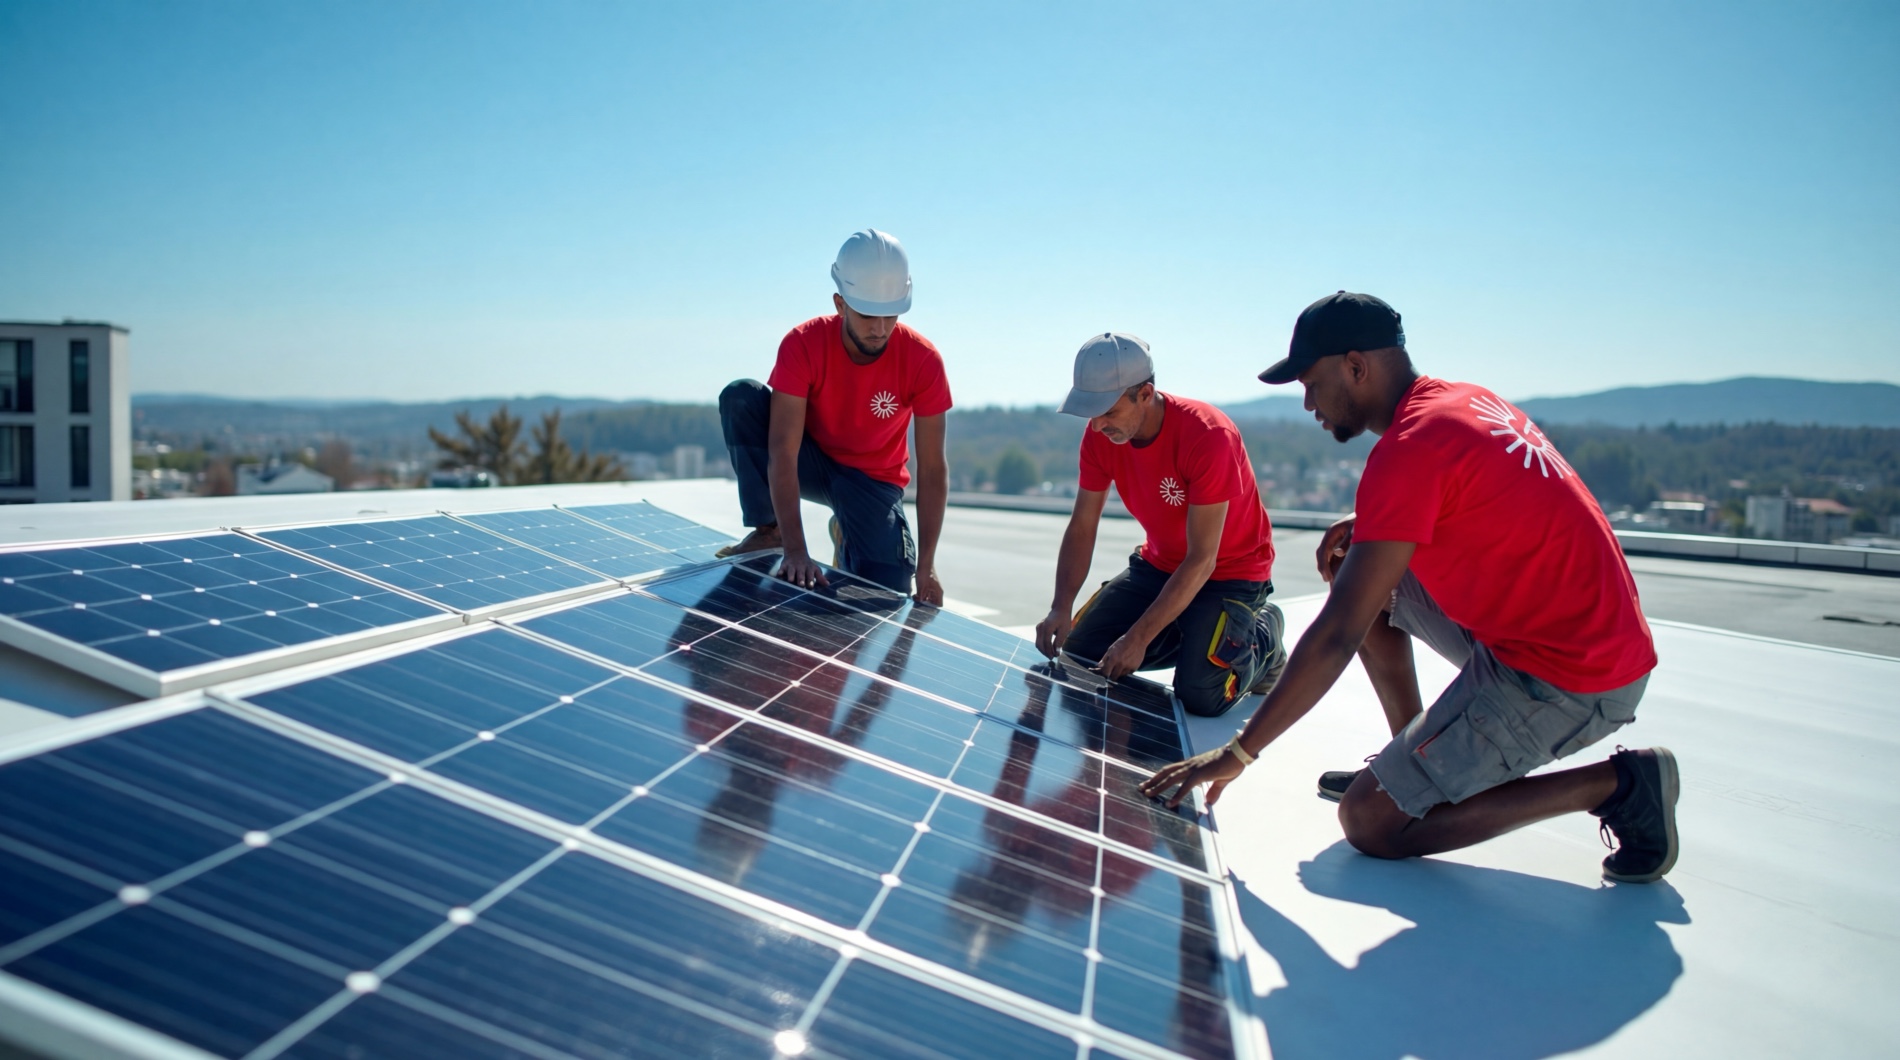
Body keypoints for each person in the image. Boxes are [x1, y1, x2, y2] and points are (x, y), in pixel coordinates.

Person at [1140, 292, 1678, 883]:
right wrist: (1374, 522)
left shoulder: (1412, 447)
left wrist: (1239, 752)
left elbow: (1340, 631)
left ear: (1355, 366)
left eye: (1311, 381)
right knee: (1355, 563)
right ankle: (1411, 754)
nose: (1307, 401)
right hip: (1567, 639)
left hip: (1572, 677)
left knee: (1372, 822)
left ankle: (1619, 785)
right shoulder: (1460, 403)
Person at [1034, 333, 1286, 718]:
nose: (1098, 425)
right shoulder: (1100, 436)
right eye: (1091, 413)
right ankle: (1193, 634)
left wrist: (1138, 638)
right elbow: (1083, 525)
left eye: (1109, 412)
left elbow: (1203, 559)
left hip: (1229, 573)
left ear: (1145, 394)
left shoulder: (1208, 436)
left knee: (1200, 696)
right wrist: (1060, 606)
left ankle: (1264, 636)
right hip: (1160, 565)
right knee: (1082, 654)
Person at [716, 230, 951, 604]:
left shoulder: (923, 360)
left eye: (891, 315)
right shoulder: (803, 343)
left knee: (886, 586)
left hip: (873, 482)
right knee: (742, 398)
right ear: (840, 304)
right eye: (867, 315)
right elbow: (782, 451)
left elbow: (934, 470)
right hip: (811, 461)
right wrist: (794, 549)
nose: (879, 328)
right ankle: (768, 528)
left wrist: (928, 566)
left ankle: (847, 534)